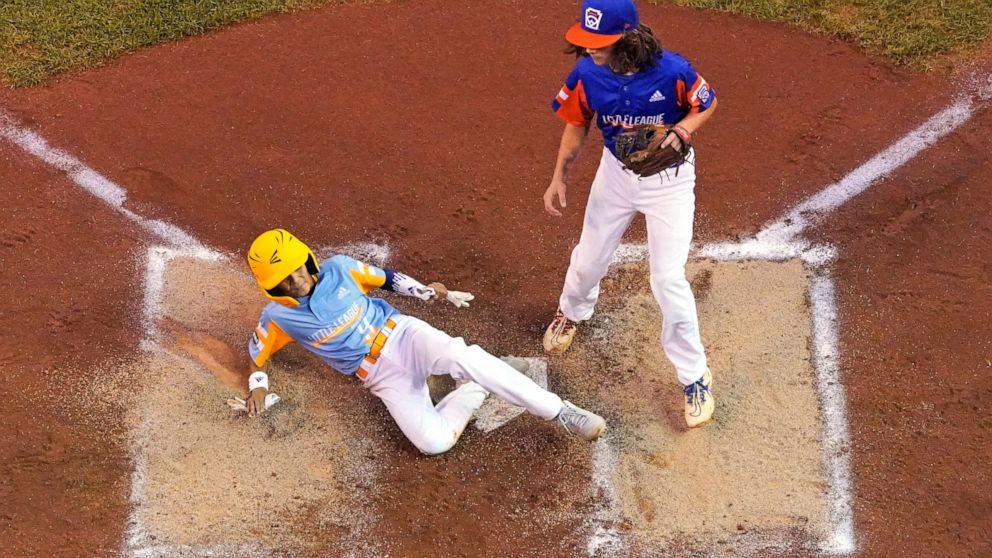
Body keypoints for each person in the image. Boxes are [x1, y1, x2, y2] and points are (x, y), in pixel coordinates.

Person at [239, 229, 606, 455]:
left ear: (306, 258)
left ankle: (561, 412)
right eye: (283, 281)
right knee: (433, 442)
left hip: (403, 335)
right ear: (272, 287)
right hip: (379, 377)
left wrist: (429, 293)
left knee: (460, 355)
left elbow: (387, 279)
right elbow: (258, 355)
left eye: (296, 269)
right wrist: (258, 386)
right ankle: (488, 381)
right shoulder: (278, 318)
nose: (296, 281)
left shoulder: (339, 268)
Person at [541, 0, 718, 427]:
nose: (591, 50)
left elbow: (707, 103)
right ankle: (572, 311)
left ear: (626, 36)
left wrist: (682, 130)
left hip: (670, 184)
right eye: (587, 42)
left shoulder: (672, 71)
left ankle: (695, 377)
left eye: (599, 43)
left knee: (668, 279)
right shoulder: (587, 74)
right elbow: (577, 124)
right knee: (589, 259)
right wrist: (559, 176)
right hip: (616, 177)